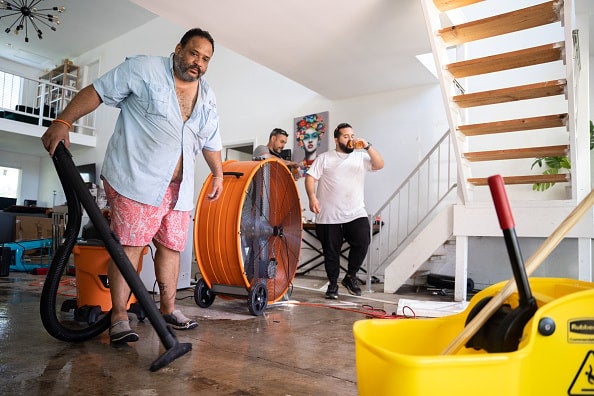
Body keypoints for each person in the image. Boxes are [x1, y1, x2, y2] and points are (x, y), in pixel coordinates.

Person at [41, 28, 224, 343]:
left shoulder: (207, 95)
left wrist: (218, 173)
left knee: (172, 248)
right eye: (194, 53)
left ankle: (167, 309)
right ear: (179, 48)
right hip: (137, 180)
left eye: (205, 59)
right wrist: (63, 122)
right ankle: (119, 317)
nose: (199, 63)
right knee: (130, 249)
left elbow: (210, 140)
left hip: (179, 191)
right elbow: (97, 91)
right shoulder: (144, 69)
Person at [305, 122, 384, 299]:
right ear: (336, 139)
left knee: (363, 240)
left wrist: (368, 146)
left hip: (355, 212)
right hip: (328, 214)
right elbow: (310, 178)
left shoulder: (361, 157)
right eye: (346, 136)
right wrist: (312, 197)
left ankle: (350, 277)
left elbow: (379, 164)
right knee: (331, 252)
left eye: (352, 136)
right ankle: (332, 285)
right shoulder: (324, 158)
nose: (350, 139)